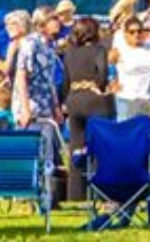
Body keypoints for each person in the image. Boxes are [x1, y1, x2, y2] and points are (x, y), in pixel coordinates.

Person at [61, 17, 111, 201]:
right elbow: (102, 75)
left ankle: (75, 193)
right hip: (94, 99)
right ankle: (101, 191)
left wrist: (67, 100)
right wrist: (100, 86)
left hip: (74, 99)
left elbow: (66, 81)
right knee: (100, 145)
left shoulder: (70, 52)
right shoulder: (99, 50)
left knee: (76, 146)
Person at [14, 8, 63, 130]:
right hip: (31, 110)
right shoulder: (30, 43)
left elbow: (50, 80)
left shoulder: (50, 45)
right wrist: (25, 109)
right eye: (53, 19)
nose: (58, 21)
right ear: (42, 24)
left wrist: (56, 106)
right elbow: (21, 76)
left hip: (46, 109)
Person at [110, 16, 150, 120]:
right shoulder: (119, 49)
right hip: (127, 99)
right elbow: (107, 65)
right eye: (132, 32)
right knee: (127, 129)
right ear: (125, 34)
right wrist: (113, 80)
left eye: (140, 31)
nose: (136, 34)